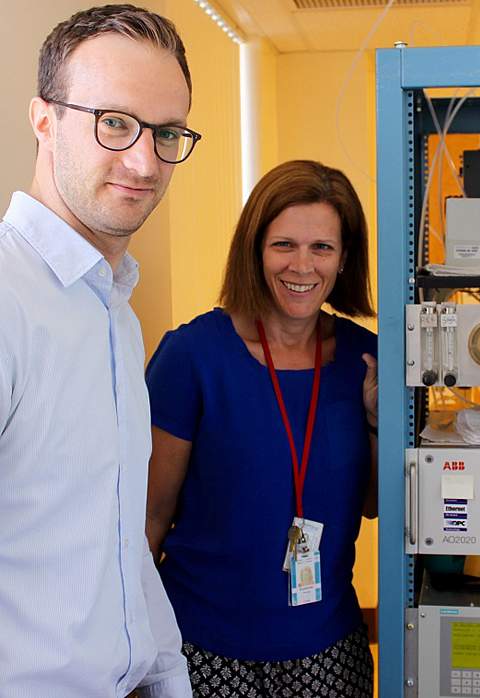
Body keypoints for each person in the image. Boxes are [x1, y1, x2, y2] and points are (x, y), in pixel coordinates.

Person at [0, 4, 201, 697]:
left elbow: (117, 542)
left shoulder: (112, 306)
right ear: (44, 119)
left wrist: (168, 676)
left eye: (166, 132)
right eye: (113, 123)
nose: (145, 161)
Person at [145, 159, 378, 697]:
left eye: (322, 247)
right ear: (254, 249)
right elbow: (149, 518)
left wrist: (374, 421)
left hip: (328, 650)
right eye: (284, 245)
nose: (303, 265)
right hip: (199, 648)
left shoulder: (366, 361)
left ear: (345, 259)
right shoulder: (193, 356)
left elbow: (370, 504)